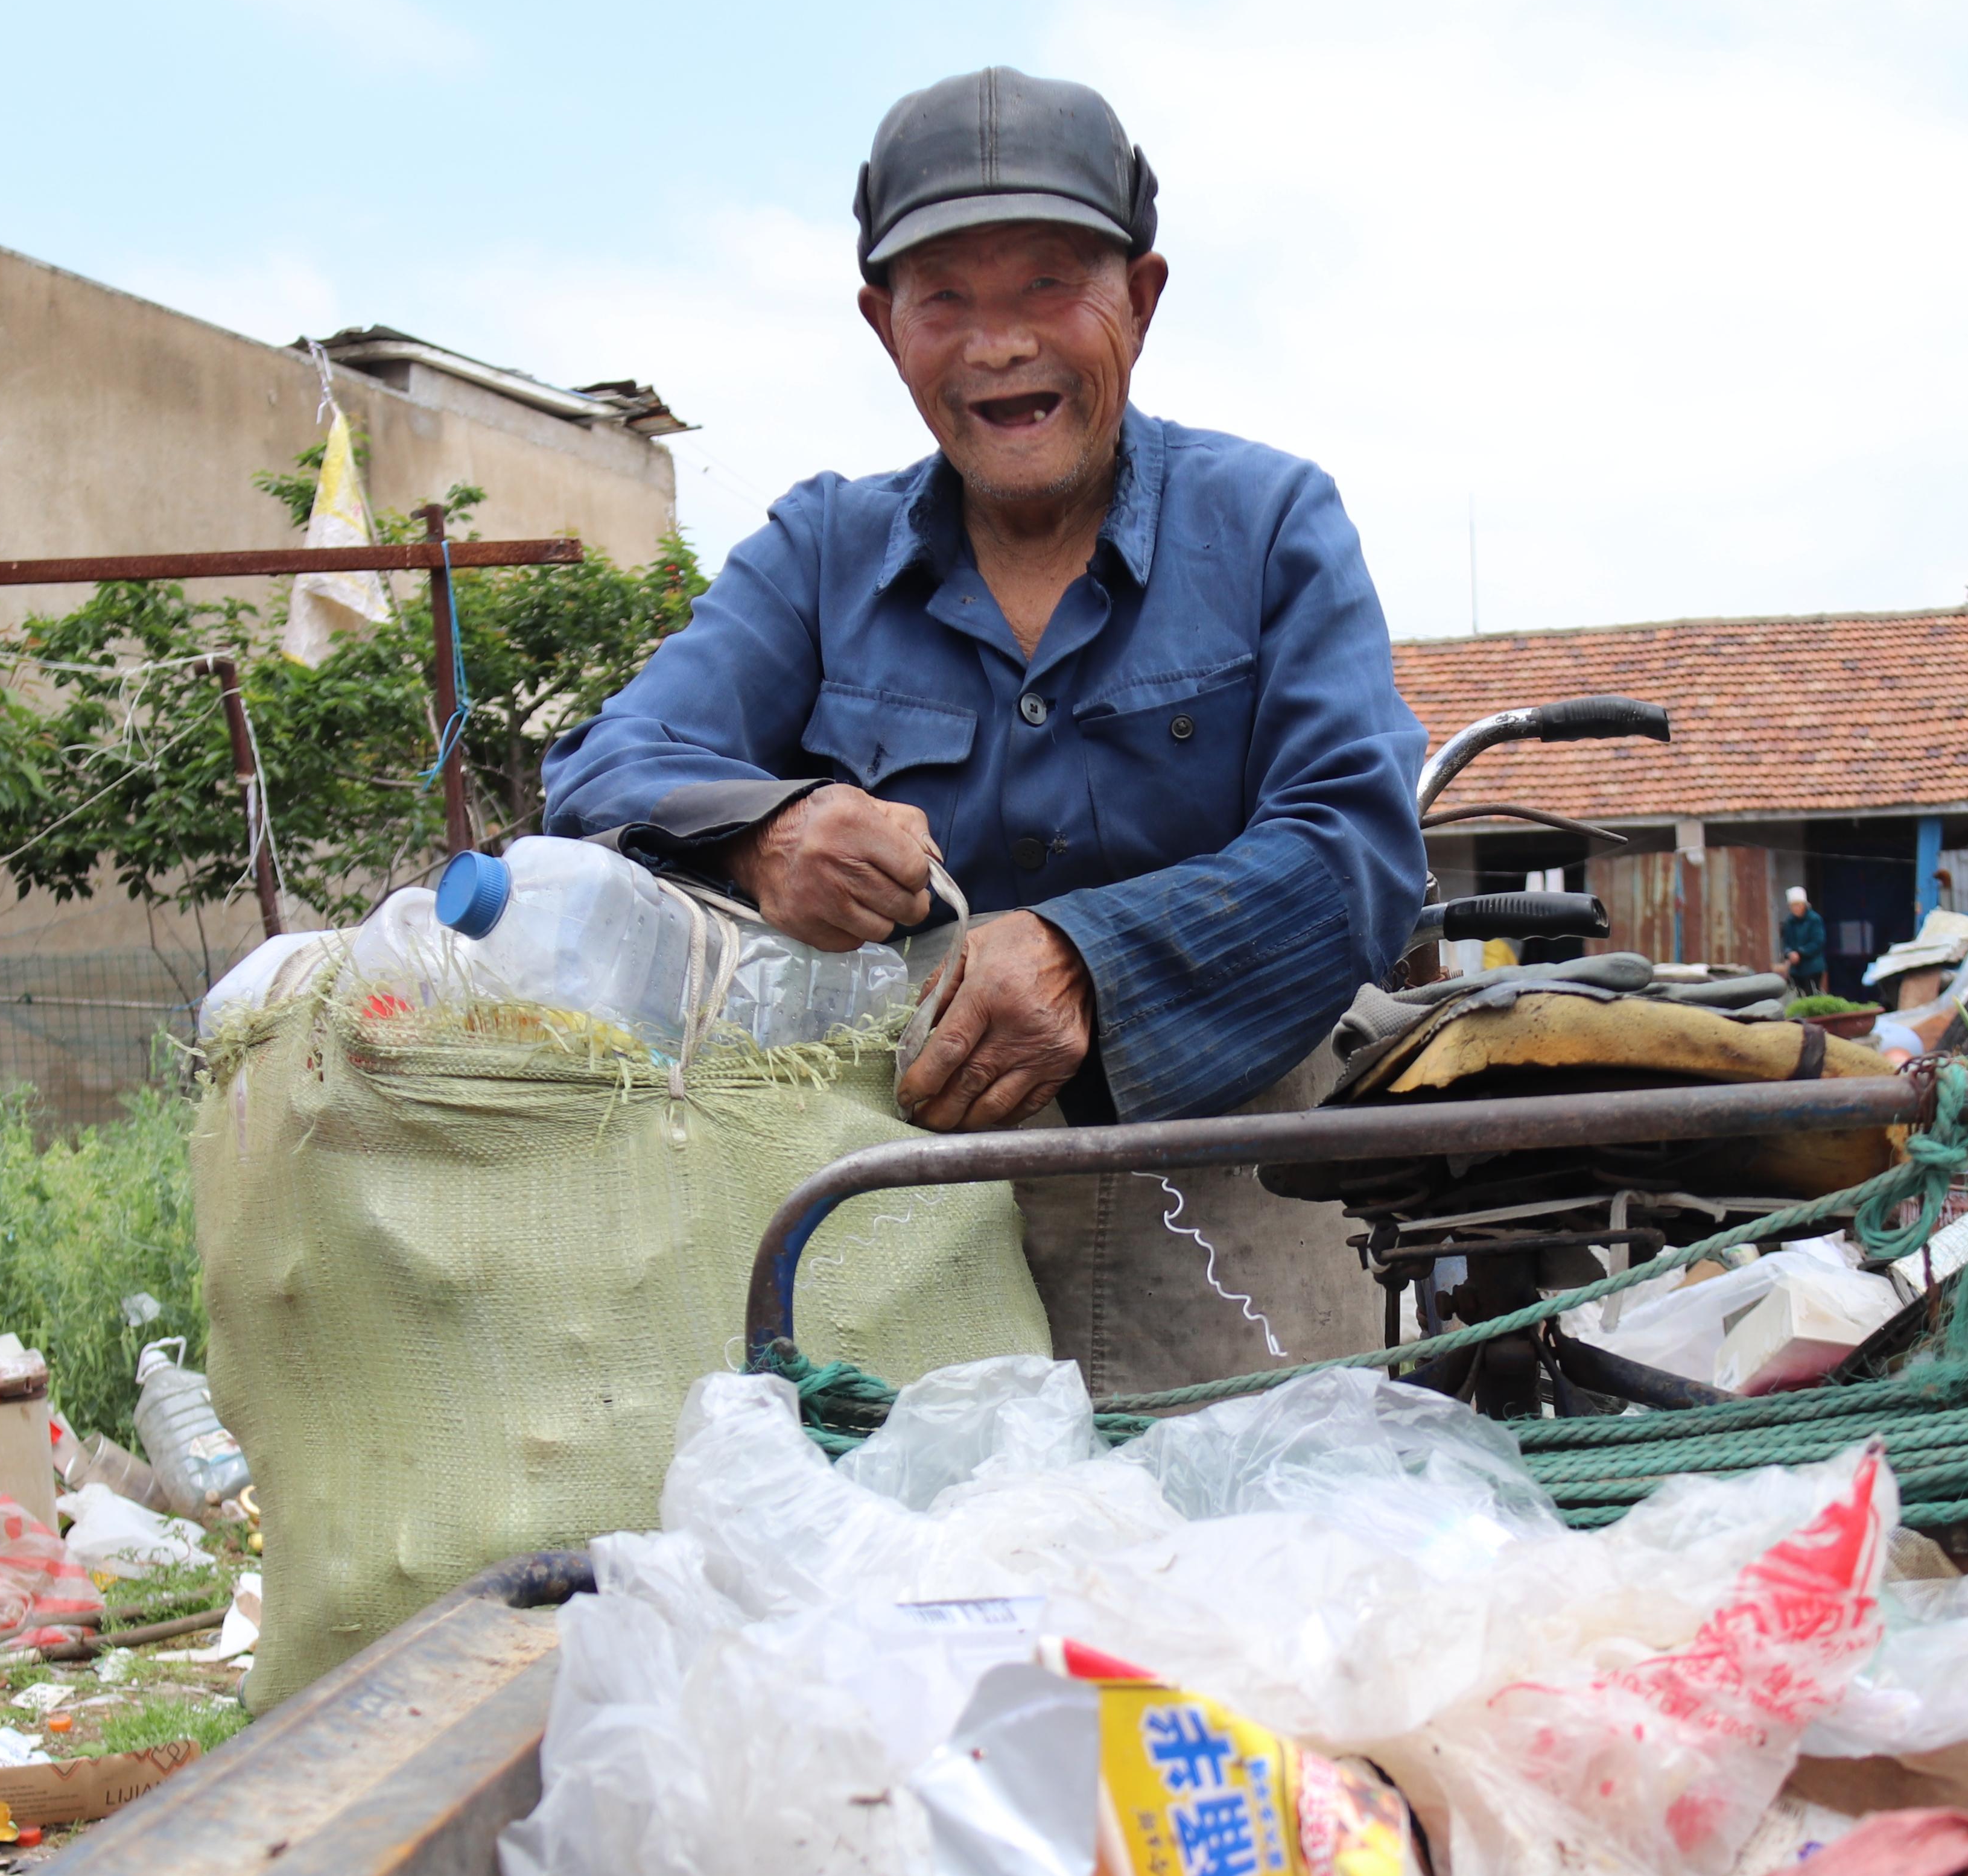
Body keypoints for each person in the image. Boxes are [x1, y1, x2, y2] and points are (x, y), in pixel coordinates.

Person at [538, 69, 1424, 1389]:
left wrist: (1086, 957)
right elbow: (602, 772)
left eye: (1051, 286)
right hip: (905, 1238)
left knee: (1247, 1567)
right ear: (883, 324)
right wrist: (765, 831)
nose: (999, 344)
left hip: (1239, 1216)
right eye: (945, 297)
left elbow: (1354, 850)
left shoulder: (1271, 523)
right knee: (938, 1574)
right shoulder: (817, 555)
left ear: (1143, 297)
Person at [1780, 885, 1830, 997]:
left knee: (1812, 995)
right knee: (1797, 996)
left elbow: (1818, 942)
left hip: (1812, 967)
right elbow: (1786, 943)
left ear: (1804, 905)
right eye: (1792, 906)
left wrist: (1801, 953)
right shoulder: (1789, 922)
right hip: (1796, 970)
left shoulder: (1814, 920)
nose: (1795, 908)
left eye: (1798, 905)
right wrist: (1789, 953)